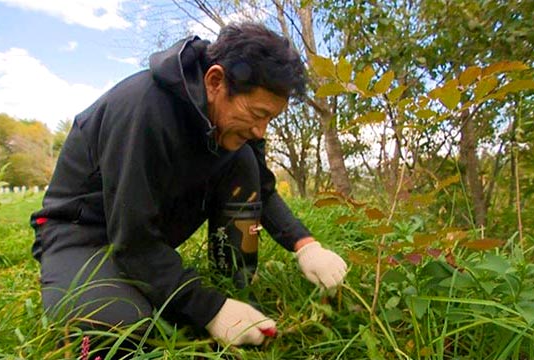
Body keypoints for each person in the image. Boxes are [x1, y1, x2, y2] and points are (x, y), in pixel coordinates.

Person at [30, 22, 347, 347]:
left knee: (243, 157)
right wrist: (211, 310)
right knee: (119, 329)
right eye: (257, 113)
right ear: (215, 81)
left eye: (271, 119)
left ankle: (234, 282)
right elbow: (134, 241)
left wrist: (306, 246)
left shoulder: (233, 124)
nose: (261, 130)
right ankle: (90, 285)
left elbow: (261, 189)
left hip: (147, 230)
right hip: (84, 234)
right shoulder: (144, 110)